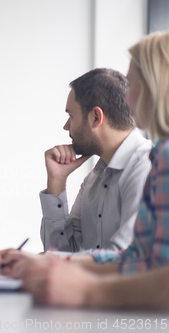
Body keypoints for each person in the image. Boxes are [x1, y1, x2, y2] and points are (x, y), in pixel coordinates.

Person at [1, 31, 169, 309]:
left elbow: (140, 263)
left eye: (134, 85)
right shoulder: (97, 175)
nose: (127, 100)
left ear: (95, 117)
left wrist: (81, 286)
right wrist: (56, 185)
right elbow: (136, 259)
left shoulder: (149, 162)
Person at [39, 68, 151, 252]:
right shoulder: (93, 180)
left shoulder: (146, 167)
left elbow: (125, 258)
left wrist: (42, 262)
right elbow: (64, 253)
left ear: (96, 117)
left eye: (71, 116)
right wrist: (56, 183)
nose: (66, 126)